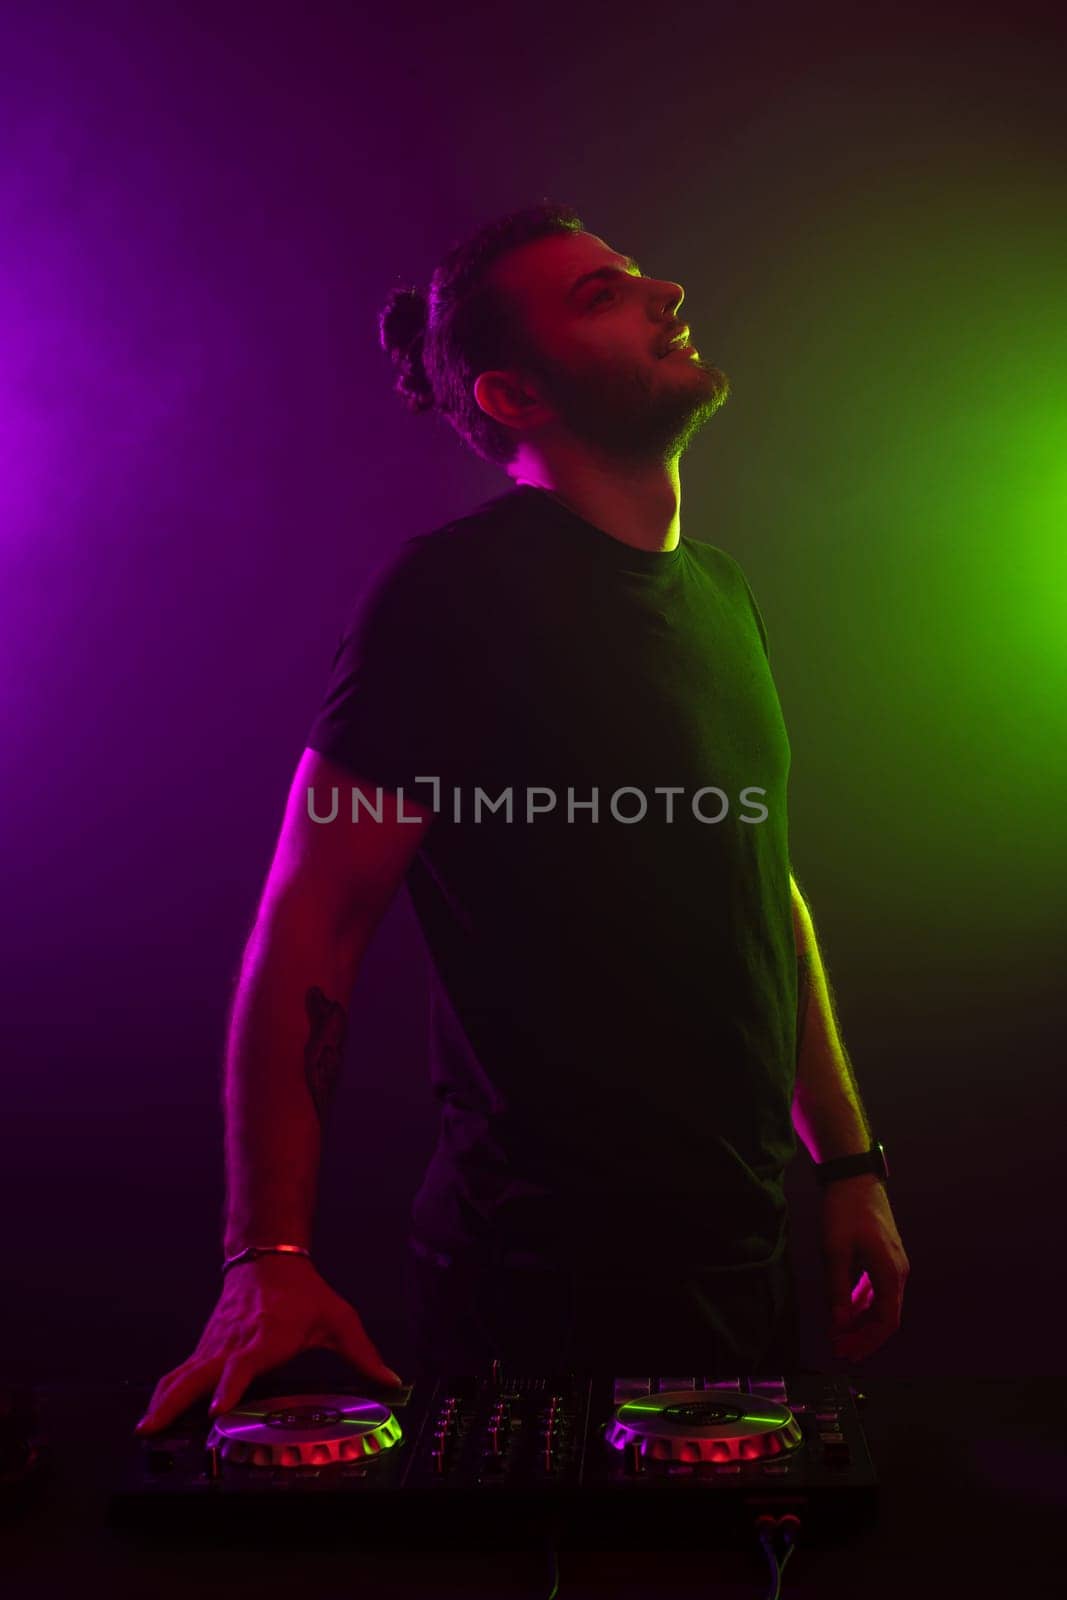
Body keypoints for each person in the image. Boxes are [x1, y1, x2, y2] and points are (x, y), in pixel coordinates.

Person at [136, 203, 909, 1434]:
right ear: (511, 396)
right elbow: (312, 922)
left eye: (635, 273)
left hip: (743, 1268)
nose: (661, 289)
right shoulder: (448, 599)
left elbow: (765, 887)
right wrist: (264, 1258)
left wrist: (849, 1165)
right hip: (536, 1293)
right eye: (599, 295)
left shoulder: (719, 593)